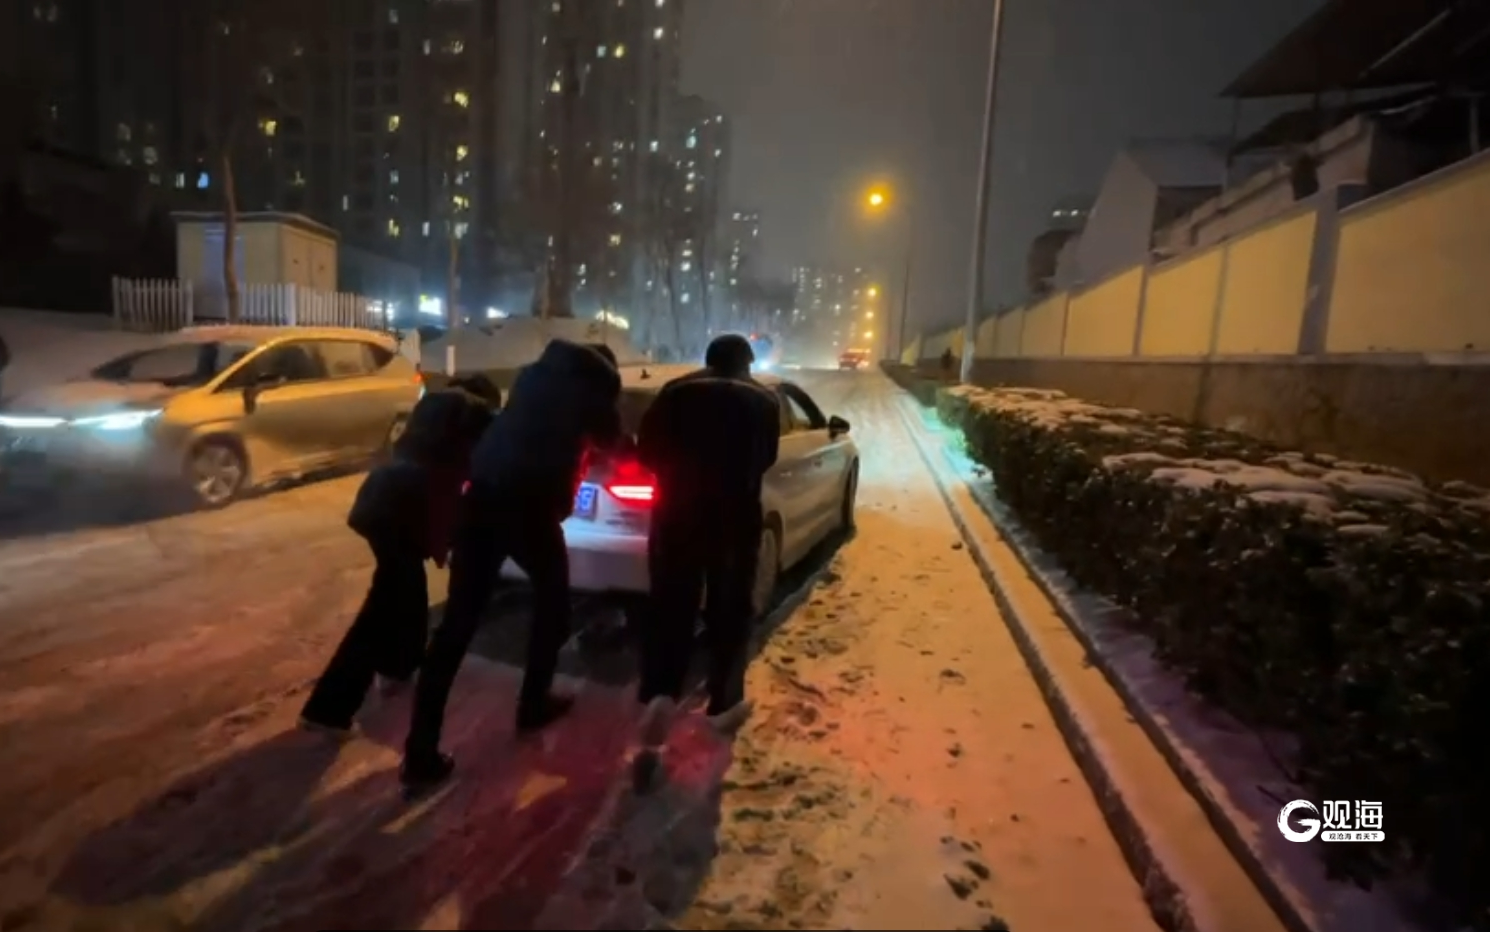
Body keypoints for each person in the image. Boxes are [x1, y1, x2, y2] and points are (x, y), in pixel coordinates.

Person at [400, 339, 624, 793]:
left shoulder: (530, 373)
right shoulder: (594, 387)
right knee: (554, 603)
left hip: (481, 498)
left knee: (455, 628)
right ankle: (533, 702)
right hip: (530, 507)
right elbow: (610, 440)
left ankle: (419, 752)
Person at [299, 386, 487, 736]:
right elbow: (441, 509)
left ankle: (397, 669)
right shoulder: (452, 451)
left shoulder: (428, 428)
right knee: (381, 614)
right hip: (396, 517)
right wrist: (445, 546)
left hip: (377, 506)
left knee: (407, 596)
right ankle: (328, 710)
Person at [632, 334, 780, 768]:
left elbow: (648, 452)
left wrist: (680, 481)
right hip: (735, 520)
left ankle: (660, 694)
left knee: (669, 608)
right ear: (745, 364)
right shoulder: (763, 400)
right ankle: (722, 702)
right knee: (730, 609)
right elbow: (766, 458)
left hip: (676, 516)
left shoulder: (675, 392)